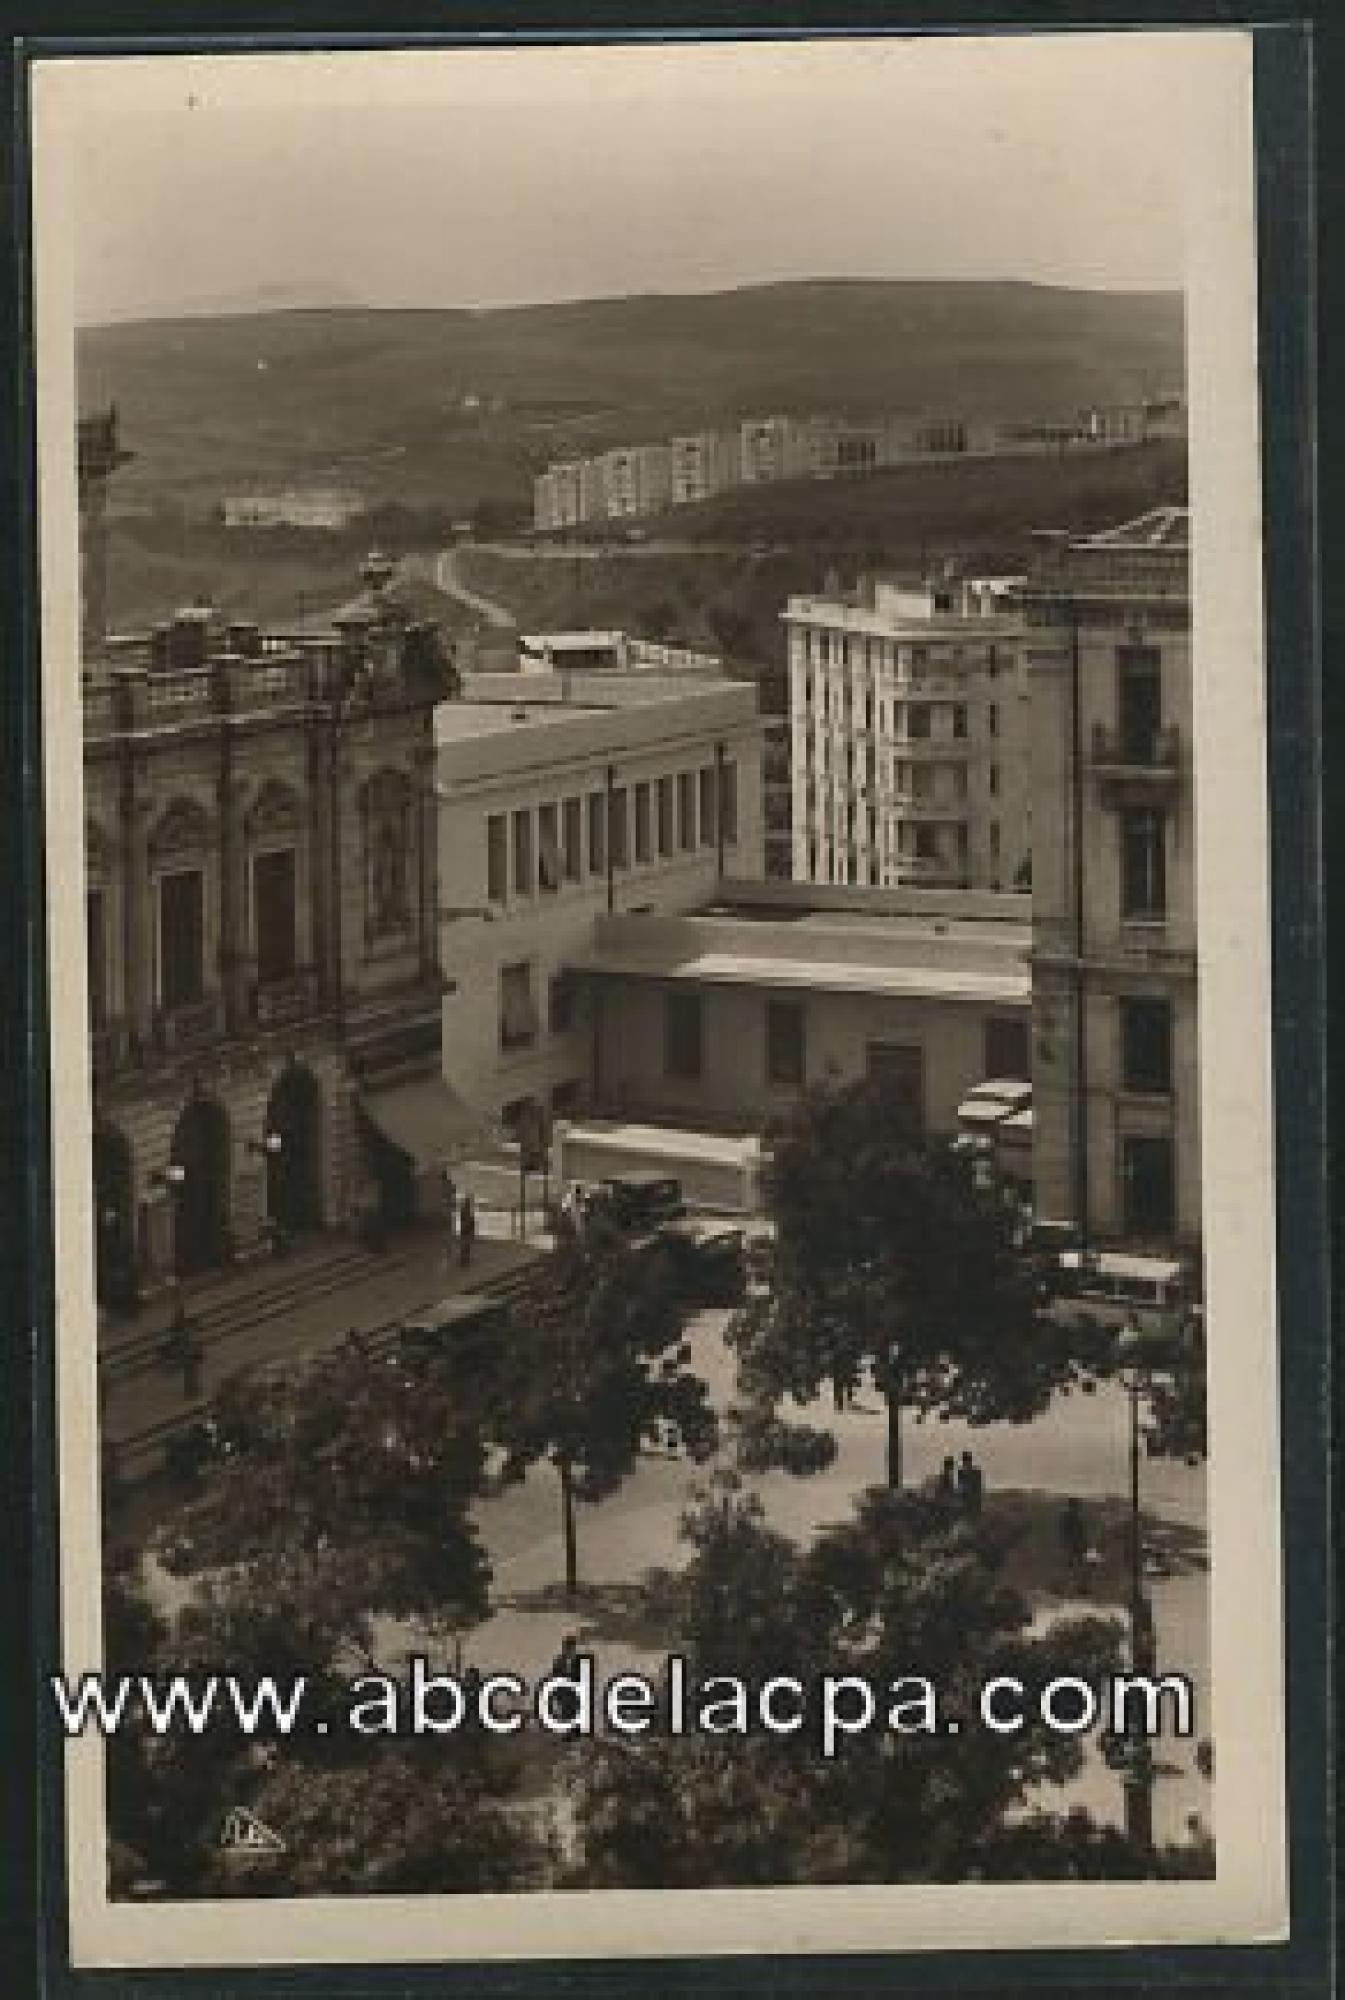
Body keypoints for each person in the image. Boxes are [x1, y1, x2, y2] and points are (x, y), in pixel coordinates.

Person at [956, 1448, 984, 1518]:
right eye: (965, 1461)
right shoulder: (960, 1473)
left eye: (967, 1460)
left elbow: (978, 1489)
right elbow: (959, 1488)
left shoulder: (976, 1473)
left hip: (973, 1503)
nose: (966, 1463)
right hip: (965, 1503)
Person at [458, 1192, 477, 1269]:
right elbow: (466, 1220)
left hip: (466, 1229)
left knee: (466, 1245)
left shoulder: (467, 1210)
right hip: (465, 1229)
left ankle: (465, 1259)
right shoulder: (465, 1211)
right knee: (465, 1245)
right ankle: (464, 1259)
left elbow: (470, 1220)